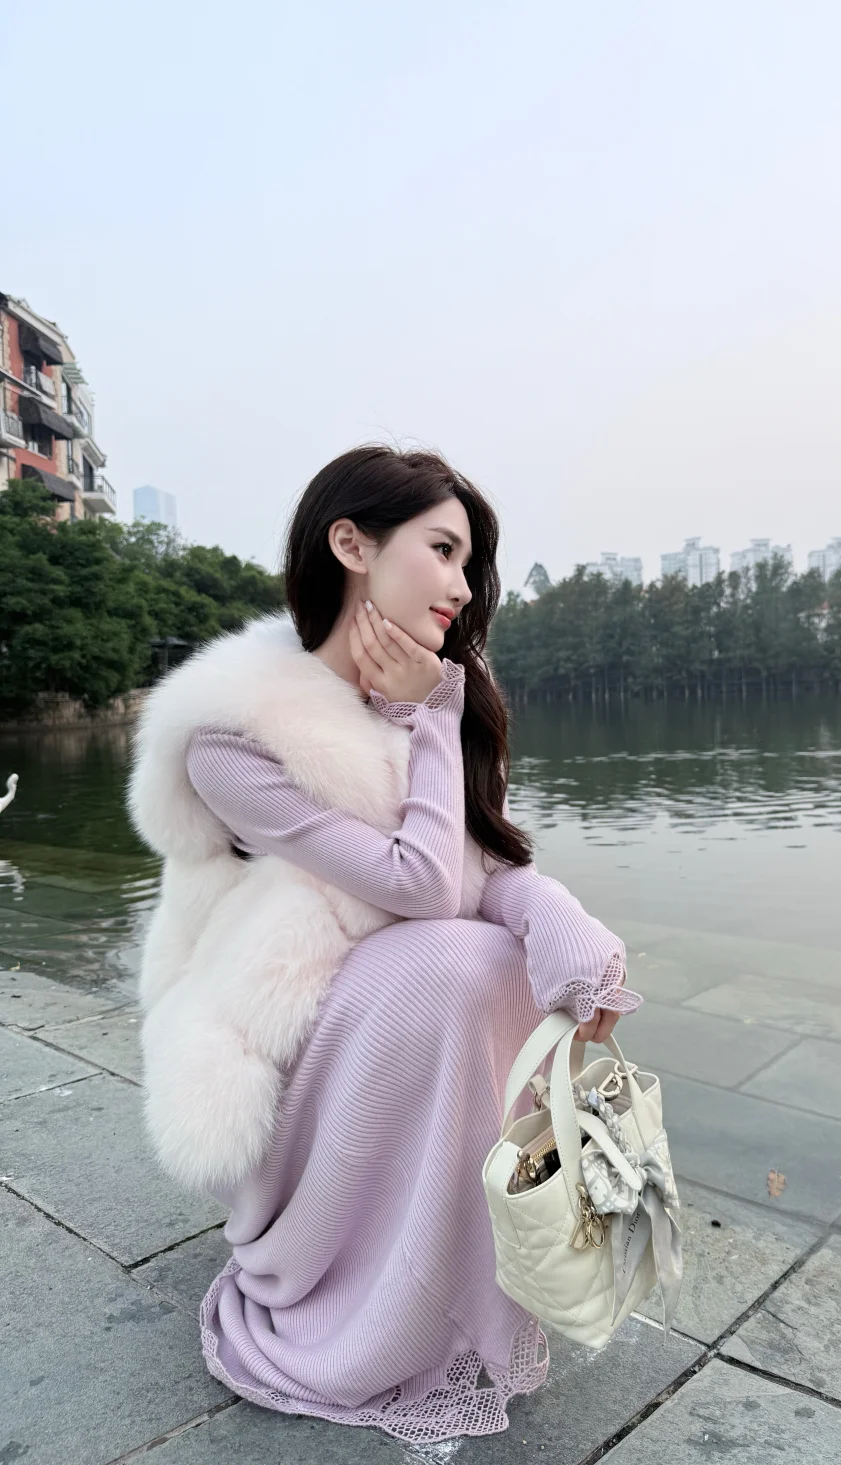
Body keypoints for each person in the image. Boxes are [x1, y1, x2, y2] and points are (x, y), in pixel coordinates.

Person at [127, 445, 642, 1445]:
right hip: (277, 1035)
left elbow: (480, 865)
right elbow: (421, 888)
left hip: (382, 1008)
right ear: (351, 544)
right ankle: (360, 1279)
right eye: (442, 550)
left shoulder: (433, 692)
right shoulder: (234, 734)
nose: (462, 586)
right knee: (460, 966)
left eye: (469, 563)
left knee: (501, 962)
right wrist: (432, 715)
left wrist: (562, 927)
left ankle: (453, 1264)